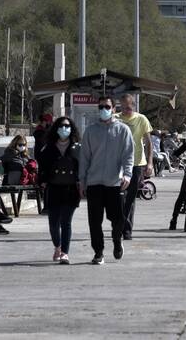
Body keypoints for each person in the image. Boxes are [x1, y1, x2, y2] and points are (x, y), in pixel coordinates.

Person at [79, 96, 134, 265]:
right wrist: (82, 180)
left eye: (107, 107)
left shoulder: (123, 130)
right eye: (101, 107)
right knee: (94, 221)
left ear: (114, 109)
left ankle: (117, 240)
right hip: (94, 183)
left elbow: (128, 155)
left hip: (114, 183)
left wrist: (127, 174)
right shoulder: (90, 131)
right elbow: (84, 157)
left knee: (118, 219)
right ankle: (98, 252)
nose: (104, 110)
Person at [37, 116, 81, 264]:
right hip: (53, 188)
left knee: (66, 222)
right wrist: (42, 181)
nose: (64, 129)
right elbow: (42, 167)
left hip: (70, 189)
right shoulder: (48, 148)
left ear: (71, 129)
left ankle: (65, 253)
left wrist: (82, 182)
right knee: (53, 223)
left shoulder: (77, 148)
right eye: (61, 126)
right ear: (56, 128)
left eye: (67, 126)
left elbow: (82, 167)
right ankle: (57, 246)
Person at [117, 94, 153, 241]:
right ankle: (120, 224)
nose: (126, 110)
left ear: (133, 105)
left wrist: (149, 163)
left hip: (137, 163)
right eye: (123, 107)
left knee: (130, 199)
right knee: (119, 197)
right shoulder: (115, 118)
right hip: (118, 164)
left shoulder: (141, 119)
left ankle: (126, 230)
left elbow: (149, 143)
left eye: (128, 107)